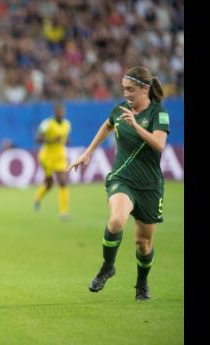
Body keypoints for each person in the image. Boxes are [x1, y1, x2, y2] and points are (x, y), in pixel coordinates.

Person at [67, 66, 170, 301]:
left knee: (143, 244)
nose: (126, 94)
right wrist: (88, 152)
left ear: (145, 89)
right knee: (115, 221)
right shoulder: (119, 110)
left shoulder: (158, 113)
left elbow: (159, 144)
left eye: (131, 89)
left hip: (150, 187)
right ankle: (108, 266)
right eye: (124, 89)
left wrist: (136, 126)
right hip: (122, 179)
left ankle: (142, 284)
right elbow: (107, 125)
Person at [33, 102, 71, 220]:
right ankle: (37, 198)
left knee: (62, 182)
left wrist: (66, 141)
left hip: (60, 157)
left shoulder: (67, 124)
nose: (61, 113)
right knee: (49, 184)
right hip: (47, 157)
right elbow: (37, 139)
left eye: (62, 110)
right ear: (54, 112)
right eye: (58, 111)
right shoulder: (47, 124)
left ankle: (63, 212)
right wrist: (52, 140)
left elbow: (64, 139)